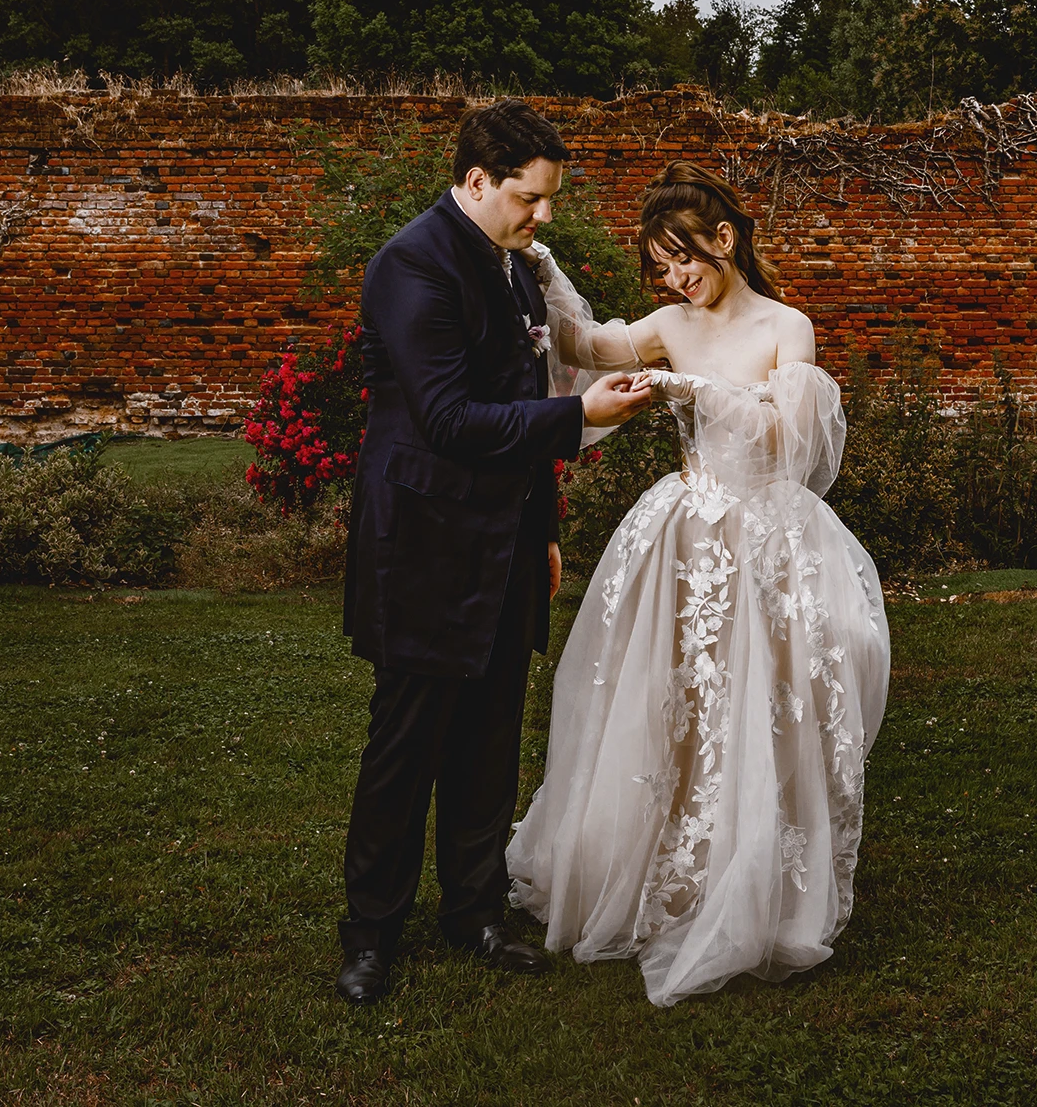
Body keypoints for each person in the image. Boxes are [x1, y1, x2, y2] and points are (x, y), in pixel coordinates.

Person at [506, 162, 891, 1006]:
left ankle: (751, 868)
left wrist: (694, 387)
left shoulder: (788, 326)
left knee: (762, 701)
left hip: (770, 540)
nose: (676, 278)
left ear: (725, 241)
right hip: (685, 535)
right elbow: (587, 346)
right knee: (671, 694)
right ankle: (661, 864)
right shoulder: (670, 322)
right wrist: (543, 267)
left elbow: (789, 437)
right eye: (660, 267)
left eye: (685, 259)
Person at [337, 99, 651, 1005]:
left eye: (548, 198)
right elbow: (446, 419)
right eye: (530, 197)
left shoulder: (512, 270)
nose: (543, 215)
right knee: (406, 744)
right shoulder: (410, 266)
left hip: (507, 540)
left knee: (489, 740)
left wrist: (545, 531)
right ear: (477, 181)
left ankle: (473, 911)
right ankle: (370, 934)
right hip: (426, 543)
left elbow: (516, 404)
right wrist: (579, 416)